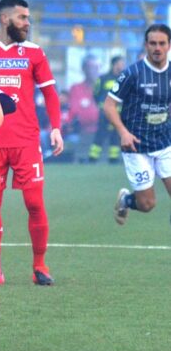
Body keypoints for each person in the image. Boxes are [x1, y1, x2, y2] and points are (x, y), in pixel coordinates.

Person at [0, 0, 64, 287]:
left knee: (34, 203)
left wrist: (56, 128)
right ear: (5, 19)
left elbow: (50, 93)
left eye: (28, 18)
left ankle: (40, 266)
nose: (27, 23)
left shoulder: (34, 52)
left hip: (27, 142)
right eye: (22, 18)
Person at [107, 24, 171, 225]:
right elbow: (109, 105)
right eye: (153, 43)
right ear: (146, 45)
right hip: (137, 146)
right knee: (147, 204)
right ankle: (126, 200)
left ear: (169, 45)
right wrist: (123, 132)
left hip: (165, 143)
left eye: (162, 43)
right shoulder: (132, 73)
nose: (157, 48)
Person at [88, 55, 125, 164]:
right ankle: (92, 158)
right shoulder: (103, 78)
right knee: (100, 134)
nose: (122, 66)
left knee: (115, 135)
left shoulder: (124, 78)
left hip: (118, 112)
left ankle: (113, 159)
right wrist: (102, 105)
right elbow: (95, 93)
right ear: (114, 64)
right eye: (120, 63)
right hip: (104, 112)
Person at [69, 54, 100, 161]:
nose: (93, 70)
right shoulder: (76, 88)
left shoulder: (104, 88)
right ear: (84, 69)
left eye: (96, 67)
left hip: (102, 132)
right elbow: (75, 111)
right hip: (82, 131)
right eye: (90, 67)